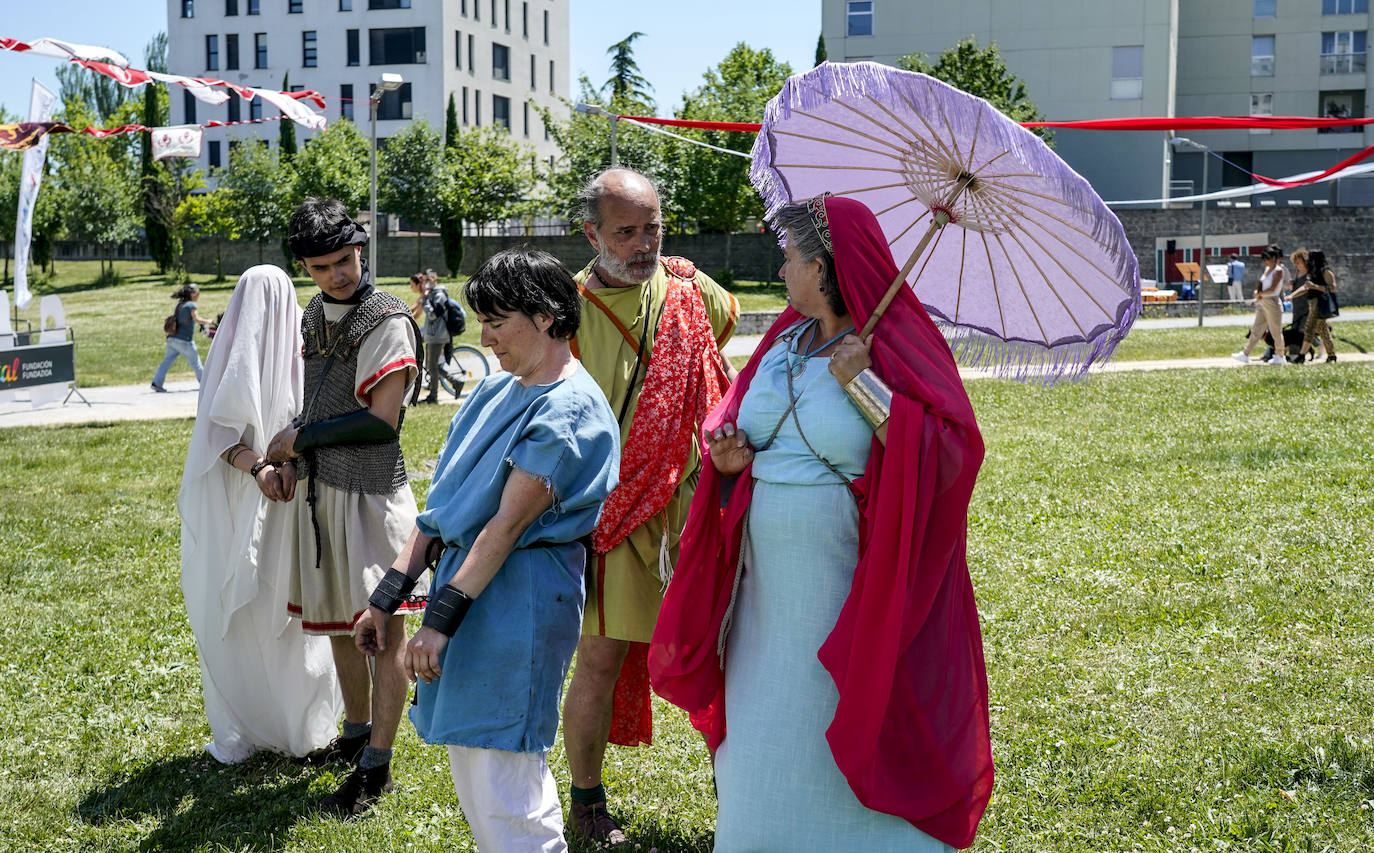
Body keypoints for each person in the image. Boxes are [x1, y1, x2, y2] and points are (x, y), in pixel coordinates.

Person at [650, 195, 994, 851]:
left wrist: (864, 384)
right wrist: (726, 454)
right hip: (760, 599)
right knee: (767, 729)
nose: (780, 271)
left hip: (845, 587)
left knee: (832, 712)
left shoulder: (892, 343)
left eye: (789, 258)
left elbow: (952, 454)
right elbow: (732, 416)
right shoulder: (782, 340)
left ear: (825, 267)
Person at [354, 248, 620, 852]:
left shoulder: (568, 411)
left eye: (498, 322)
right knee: (476, 765)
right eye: (485, 321)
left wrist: (439, 623)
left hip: (518, 601)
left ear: (548, 316)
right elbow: (442, 509)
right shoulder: (496, 390)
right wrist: (387, 597)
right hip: (471, 590)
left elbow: (503, 528)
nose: (486, 336)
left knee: (507, 780)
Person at [560, 166, 740, 845]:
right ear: (590, 233)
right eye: (625, 231)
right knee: (599, 661)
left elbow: (710, 358)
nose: (644, 245)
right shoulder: (563, 307)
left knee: (727, 659)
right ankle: (586, 801)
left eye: (653, 228)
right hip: (609, 519)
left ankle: (739, 797)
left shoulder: (693, 291)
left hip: (695, 513)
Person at [263, 198, 426, 817]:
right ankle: (355, 736)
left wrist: (298, 441)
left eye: (347, 259)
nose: (340, 273)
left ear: (361, 249)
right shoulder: (314, 313)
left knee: (379, 633)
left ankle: (378, 766)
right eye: (325, 265)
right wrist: (291, 459)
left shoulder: (384, 317)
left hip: (371, 492)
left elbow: (382, 422)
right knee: (336, 625)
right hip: (319, 488)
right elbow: (313, 401)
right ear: (305, 265)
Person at [177, 265, 343, 764]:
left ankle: (293, 721)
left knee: (283, 610)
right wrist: (265, 469)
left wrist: (278, 465)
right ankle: (274, 721)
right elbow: (218, 433)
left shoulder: (306, 350)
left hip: (282, 497)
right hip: (257, 496)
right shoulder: (245, 354)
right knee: (268, 610)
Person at [1232, 245, 1289, 365]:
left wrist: (1260, 294)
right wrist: (1257, 296)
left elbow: (1273, 288)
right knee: (1257, 328)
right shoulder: (1267, 269)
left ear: (1274, 258)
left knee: (1275, 331)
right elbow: (1262, 284)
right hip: (1263, 301)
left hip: (1272, 301)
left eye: (1267, 259)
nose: (1265, 261)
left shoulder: (1278, 270)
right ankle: (1246, 353)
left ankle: (1280, 355)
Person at [152, 283, 210, 391]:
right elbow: (197, 318)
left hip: (172, 339)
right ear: (192, 294)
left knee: (167, 361)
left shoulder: (180, 304)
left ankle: (156, 383)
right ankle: (205, 385)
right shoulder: (191, 305)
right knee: (195, 362)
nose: (198, 295)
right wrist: (208, 321)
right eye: (198, 293)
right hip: (184, 341)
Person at [409, 271, 453, 403]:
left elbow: (431, 314)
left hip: (437, 335)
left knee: (432, 365)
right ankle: (437, 384)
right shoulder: (429, 295)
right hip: (432, 333)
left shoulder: (436, 295)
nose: (411, 288)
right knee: (431, 365)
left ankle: (437, 392)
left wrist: (425, 301)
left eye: (412, 285)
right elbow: (415, 309)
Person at [1289, 248, 1338, 364]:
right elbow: (1306, 287)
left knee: (1309, 329)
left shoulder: (1326, 271)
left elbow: (1332, 288)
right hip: (1312, 302)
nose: (1309, 261)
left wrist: (1315, 286)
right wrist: (1293, 295)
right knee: (1323, 330)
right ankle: (1332, 355)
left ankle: (1301, 356)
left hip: (1320, 303)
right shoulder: (1313, 272)